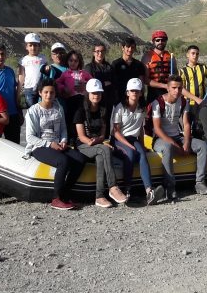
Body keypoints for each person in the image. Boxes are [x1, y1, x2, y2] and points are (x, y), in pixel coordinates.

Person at [24, 78, 85, 211]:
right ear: (40, 93)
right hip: (40, 146)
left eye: (51, 92)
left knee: (80, 159)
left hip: (58, 144)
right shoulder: (33, 111)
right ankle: (56, 198)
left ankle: (65, 193)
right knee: (63, 161)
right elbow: (30, 137)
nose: (48, 95)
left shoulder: (58, 108)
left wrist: (63, 141)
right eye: (45, 92)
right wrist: (50, 145)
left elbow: (63, 128)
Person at [151, 75, 207, 200]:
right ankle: (170, 186)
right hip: (160, 139)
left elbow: (186, 124)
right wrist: (175, 145)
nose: (176, 91)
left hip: (177, 136)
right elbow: (157, 129)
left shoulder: (183, 102)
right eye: (173, 88)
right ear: (167, 88)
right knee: (167, 148)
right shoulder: (158, 103)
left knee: (202, 145)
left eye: (179, 88)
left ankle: (200, 182)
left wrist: (187, 142)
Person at [73, 79, 128, 208]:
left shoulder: (104, 111)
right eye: (93, 93)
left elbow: (103, 135)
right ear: (87, 93)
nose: (96, 95)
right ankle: (113, 187)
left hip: (97, 144)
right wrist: (92, 142)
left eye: (98, 93)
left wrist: (98, 142)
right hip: (83, 145)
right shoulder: (80, 111)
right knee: (105, 150)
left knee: (101, 157)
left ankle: (99, 196)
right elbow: (81, 136)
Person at [112, 78, 166, 205]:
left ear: (141, 93)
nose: (135, 93)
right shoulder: (119, 108)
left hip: (132, 138)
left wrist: (142, 145)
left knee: (142, 156)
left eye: (137, 91)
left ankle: (149, 191)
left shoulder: (142, 108)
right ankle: (127, 190)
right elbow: (115, 131)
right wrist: (129, 145)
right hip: (119, 139)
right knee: (130, 153)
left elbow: (140, 129)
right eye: (132, 91)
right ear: (127, 92)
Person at [0, 44, 22, 144]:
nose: (0, 57)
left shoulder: (10, 71)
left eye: (2, 54)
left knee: (15, 146)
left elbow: (14, 90)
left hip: (12, 114)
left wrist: (19, 112)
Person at [111, 38, 146, 108]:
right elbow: (113, 83)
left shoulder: (138, 64)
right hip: (120, 98)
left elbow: (141, 82)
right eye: (128, 47)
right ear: (122, 48)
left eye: (132, 47)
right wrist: (115, 97)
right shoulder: (116, 64)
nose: (130, 49)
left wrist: (142, 97)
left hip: (135, 97)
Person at [56, 51, 93, 116]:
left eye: (76, 61)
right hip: (71, 99)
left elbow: (92, 81)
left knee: (82, 115)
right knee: (72, 116)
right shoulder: (65, 73)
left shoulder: (83, 73)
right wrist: (64, 88)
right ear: (67, 61)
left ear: (79, 62)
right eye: (71, 60)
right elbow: (57, 82)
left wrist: (86, 84)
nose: (73, 63)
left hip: (83, 98)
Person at [143, 30, 175, 101]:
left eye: (163, 40)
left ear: (166, 41)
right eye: (157, 40)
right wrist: (164, 86)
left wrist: (173, 78)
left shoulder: (170, 56)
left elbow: (176, 74)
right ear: (153, 42)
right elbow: (145, 79)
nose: (160, 42)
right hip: (154, 92)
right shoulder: (147, 56)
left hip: (169, 92)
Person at [19, 33, 47, 108]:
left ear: (39, 46)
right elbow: (21, 76)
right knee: (31, 109)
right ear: (26, 47)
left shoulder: (43, 59)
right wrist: (18, 92)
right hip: (29, 89)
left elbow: (46, 73)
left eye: (35, 45)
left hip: (41, 88)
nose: (33, 47)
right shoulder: (23, 60)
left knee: (42, 109)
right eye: (30, 45)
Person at [84, 42, 117, 108]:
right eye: (97, 51)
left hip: (109, 100)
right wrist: (104, 83)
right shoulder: (89, 67)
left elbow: (115, 83)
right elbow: (91, 85)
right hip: (95, 101)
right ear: (93, 53)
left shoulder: (109, 67)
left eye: (102, 51)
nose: (100, 53)